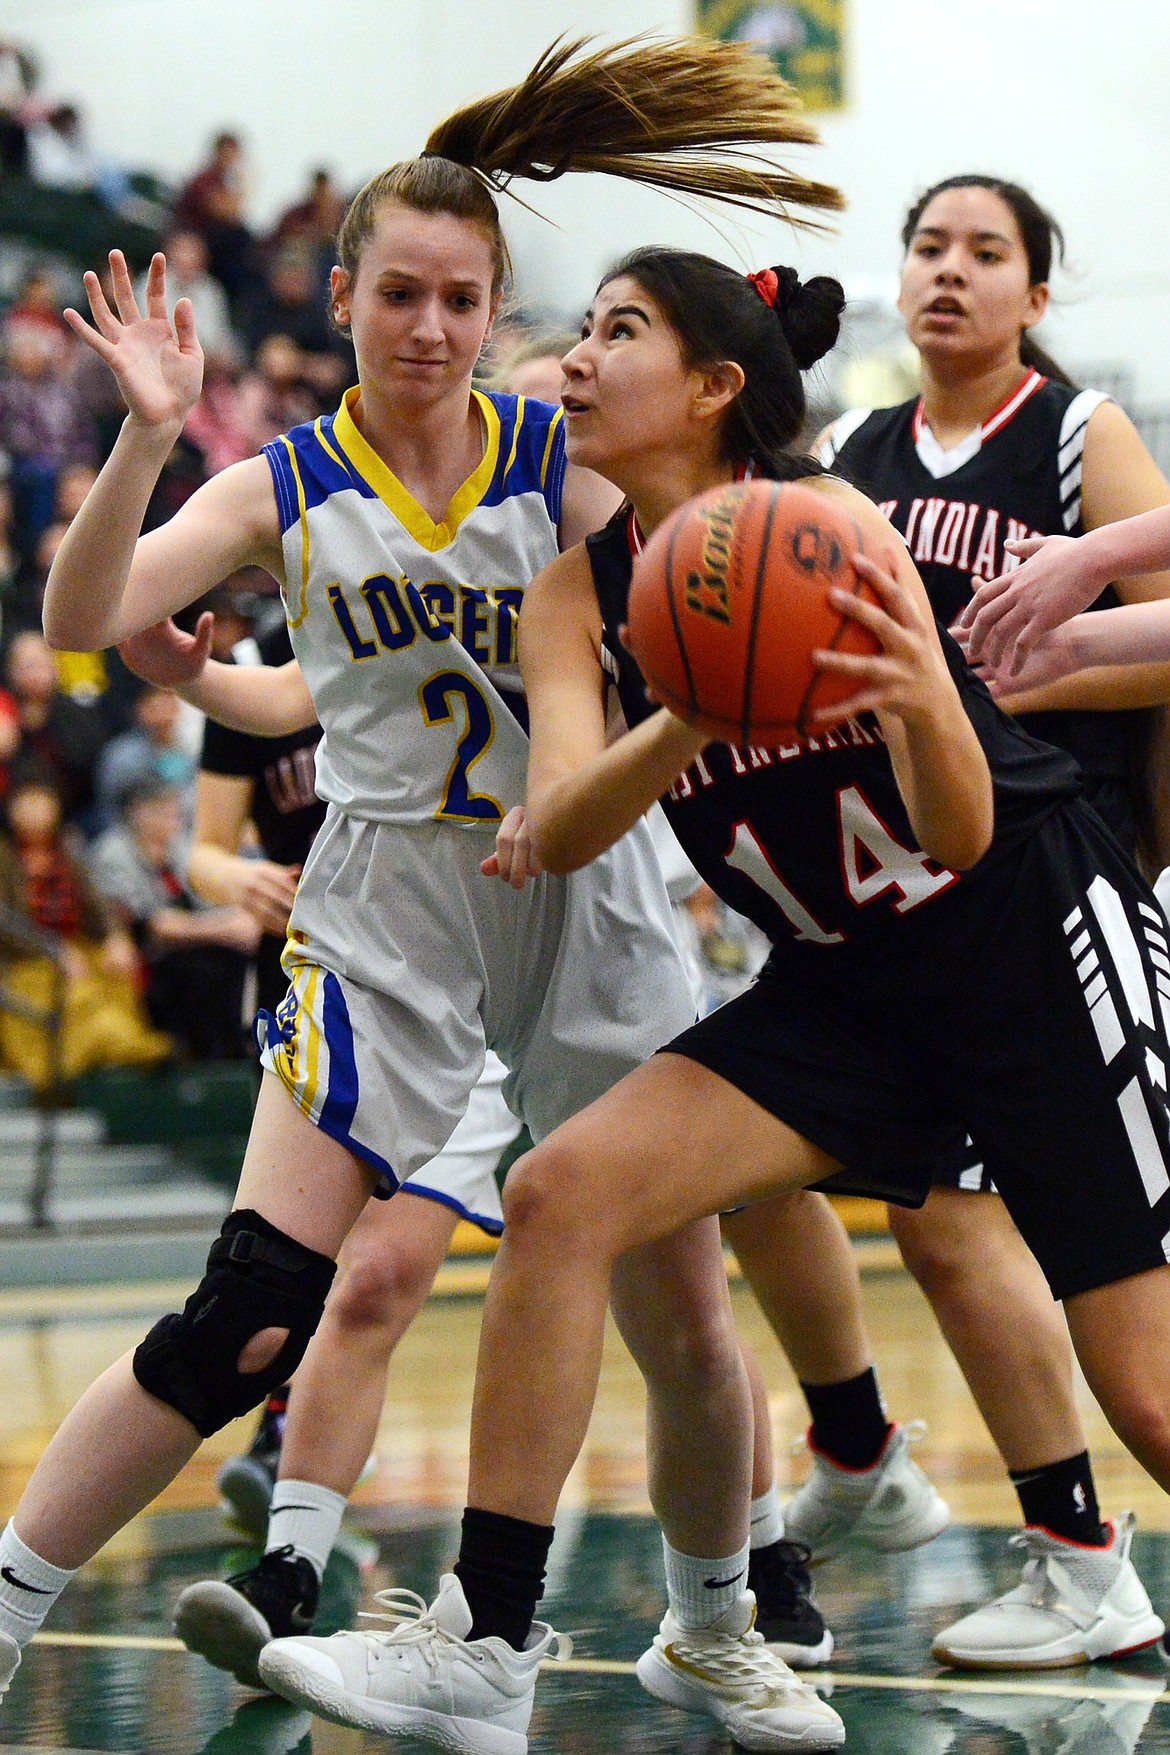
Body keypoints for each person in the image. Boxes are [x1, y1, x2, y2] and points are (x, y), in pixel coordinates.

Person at [0, 37, 849, 1753]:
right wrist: (147, 438)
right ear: (345, 294)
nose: (429, 329)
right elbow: (83, 616)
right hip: (387, 912)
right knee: (251, 1310)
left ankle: (716, 1622)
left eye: (463, 299)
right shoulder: (284, 484)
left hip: (586, 894)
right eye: (399, 294)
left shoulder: (561, 448)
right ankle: (9, 1605)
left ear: (493, 311)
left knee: (677, 1302)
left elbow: (719, 518)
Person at [255, 245, 1170, 1749]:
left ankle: (1047, 1541)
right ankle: (484, 1639)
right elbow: (550, 827)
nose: (569, 360)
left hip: (1020, 941)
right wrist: (691, 697)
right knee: (558, 1194)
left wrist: (915, 688)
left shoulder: (840, 529)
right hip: (842, 987)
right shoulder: (581, 596)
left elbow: (957, 831)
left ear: (708, 388)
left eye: (614, 333)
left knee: (1142, 1393)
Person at [813, 173, 1170, 1666]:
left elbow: (1159, 658)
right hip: (909, 892)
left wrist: (977, 693)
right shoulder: (851, 451)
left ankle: (1075, 1551)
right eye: (925, 248)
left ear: (1035, 291)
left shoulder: (1080, 436)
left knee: (1031, 1250)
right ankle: (1065, 1548)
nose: (947, 273)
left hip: (1062, 866)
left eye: (984, 254)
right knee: (935, 1220)